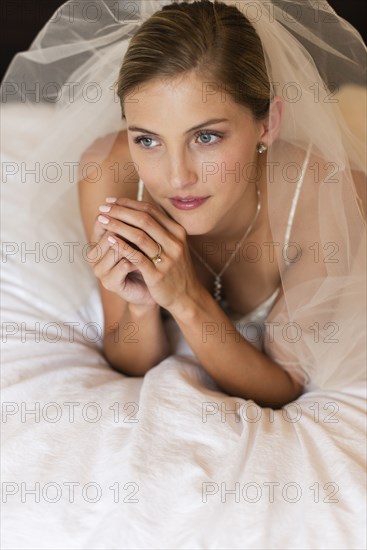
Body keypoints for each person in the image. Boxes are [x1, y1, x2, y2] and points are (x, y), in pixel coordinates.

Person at [2, 0, 366, 409]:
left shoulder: (326, 196)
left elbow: (281, 385)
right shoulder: (109, 173)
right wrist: (140, 308)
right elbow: (127, 358)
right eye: (148, 140)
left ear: (268, 123)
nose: (177, 177)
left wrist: (184, 298)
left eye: (206, 137)